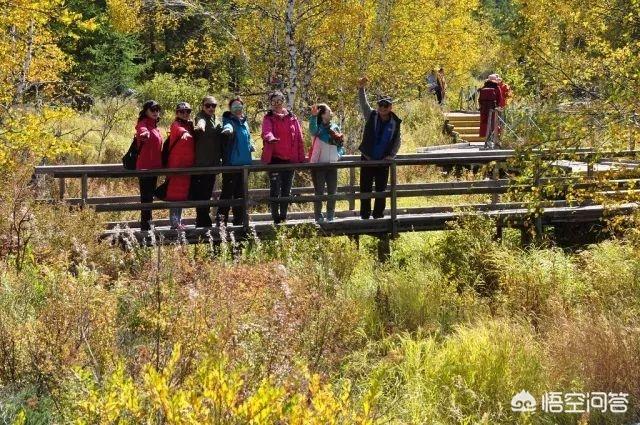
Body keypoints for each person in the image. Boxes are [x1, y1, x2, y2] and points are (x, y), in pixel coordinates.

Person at [357, 76, 402, 219]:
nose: (382, 108)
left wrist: (391, 156)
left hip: (383, 161)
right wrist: (361, 88)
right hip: (367, 158)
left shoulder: (395, 122)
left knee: (381, 190)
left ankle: (378, 215)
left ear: (390, 107)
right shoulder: (371, 115)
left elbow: (397, 141)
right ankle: (364, 215)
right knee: (365, 189)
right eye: (380, 105)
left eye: (386, 106)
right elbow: (364, 104)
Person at [261, 91, 306, 224]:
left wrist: (301, 157)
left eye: (279, 100)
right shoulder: (268, 118)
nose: (277, 104)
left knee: (287, 189)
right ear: (270, 103)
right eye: (274, 101)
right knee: (275, 189)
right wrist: (271, 138)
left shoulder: (292, 117)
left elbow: (299, 138)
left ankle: (283, 217)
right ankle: (275, 218)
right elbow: (266, 131)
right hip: (274, 159)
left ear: (283, 101)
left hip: (289, 160)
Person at [219, 97, 254, 225]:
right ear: (230, 109)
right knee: (227, 193)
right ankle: (221, 222)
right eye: (234, 107)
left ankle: (239, 221)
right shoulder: (228, 120)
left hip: (244, 164)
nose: (237, 109)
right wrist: (227, 130)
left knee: (240, 194)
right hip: (231, 164)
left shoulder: (244, 122)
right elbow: (228, 126)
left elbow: (248, 138)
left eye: (239, 106)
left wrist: (251, 145)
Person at [190, 96, 224, 228]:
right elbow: (200, 123)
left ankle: (204, 221)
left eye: (213, 105)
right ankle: (203, 222)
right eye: (208, 105)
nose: (210, 108)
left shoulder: (215, 119)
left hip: (213, 163)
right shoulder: (201, 117)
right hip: (201, 164)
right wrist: (199, 127)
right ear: (202, 106)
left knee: (207, 193)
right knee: (201, 195)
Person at [308, 103, 345, 223]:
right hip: (319, 164)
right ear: (323, 114)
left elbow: (341, 146)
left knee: (332, 191)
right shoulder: (318, 128)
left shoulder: (335, 127)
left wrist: (339, 155)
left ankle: (330, 216)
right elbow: (312, 131)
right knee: (319, 191)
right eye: (329, 111)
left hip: (332, 164)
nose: (331, 113)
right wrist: (313, 117)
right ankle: (318, 216)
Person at [166, 102, 196, 230]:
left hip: (186, 165)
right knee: (174, 194)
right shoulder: (176, 125)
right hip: (176, 165)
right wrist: (184, 132)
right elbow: (178, 129)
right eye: (182, 111)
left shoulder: (190, 125)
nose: (185, 114)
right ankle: (174, 222)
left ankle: (179, 221)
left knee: (182, 193)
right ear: (177, 113)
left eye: (187, 111)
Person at [134, 100, 163, 231]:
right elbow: (141, 130)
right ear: (146, 111)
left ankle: (148, 223)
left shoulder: (155, 126)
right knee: (146, 197)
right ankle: (145, 227)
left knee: (149, 197)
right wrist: (144, 134)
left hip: (154, 168)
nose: (156, 112)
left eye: (157, 109)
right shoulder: (143, 123)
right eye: (153, 109)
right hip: (145, 168)